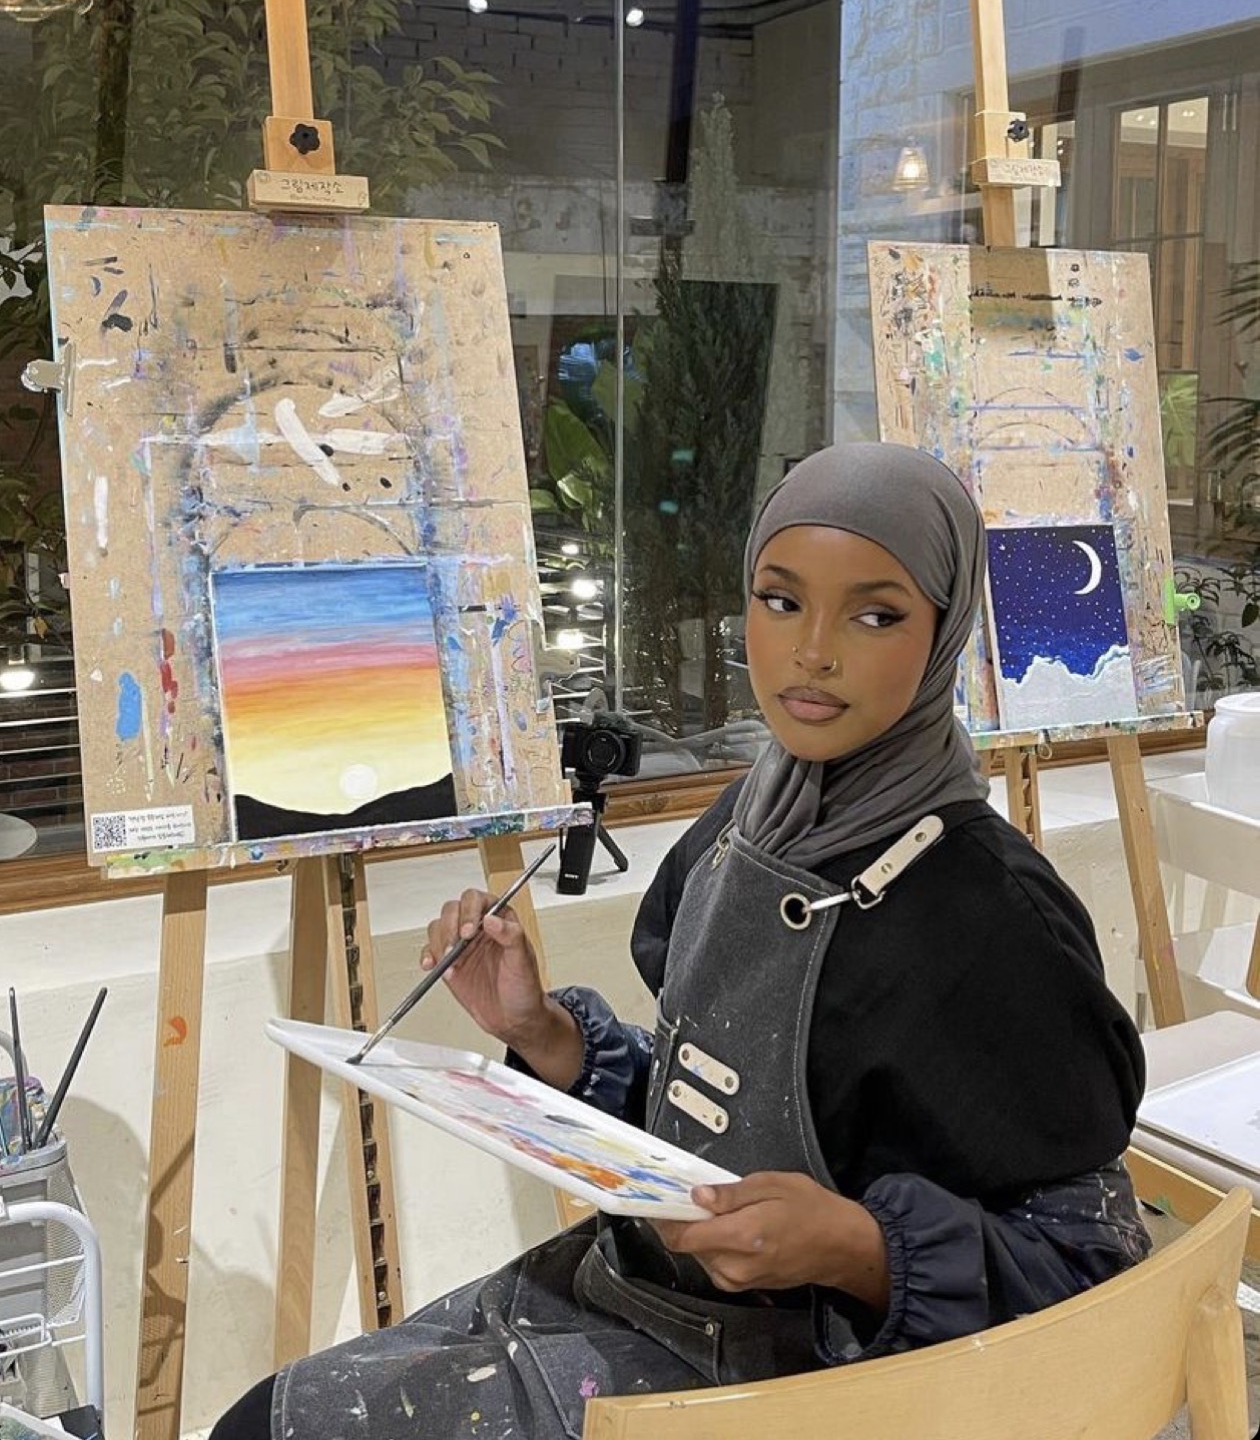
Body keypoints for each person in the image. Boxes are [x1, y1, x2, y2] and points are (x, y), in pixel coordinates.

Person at [213, 440, 1150, 1440]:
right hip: (638, 1290)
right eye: (781, 600)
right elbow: (711, 1117)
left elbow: (1099, 1269)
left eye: (875, 615)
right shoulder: (745, 826)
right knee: (266, 1418)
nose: (813, 650)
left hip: (818, 1377)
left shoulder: (993, 915)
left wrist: (862, 1250)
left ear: (944, 629)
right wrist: (546, 1037)